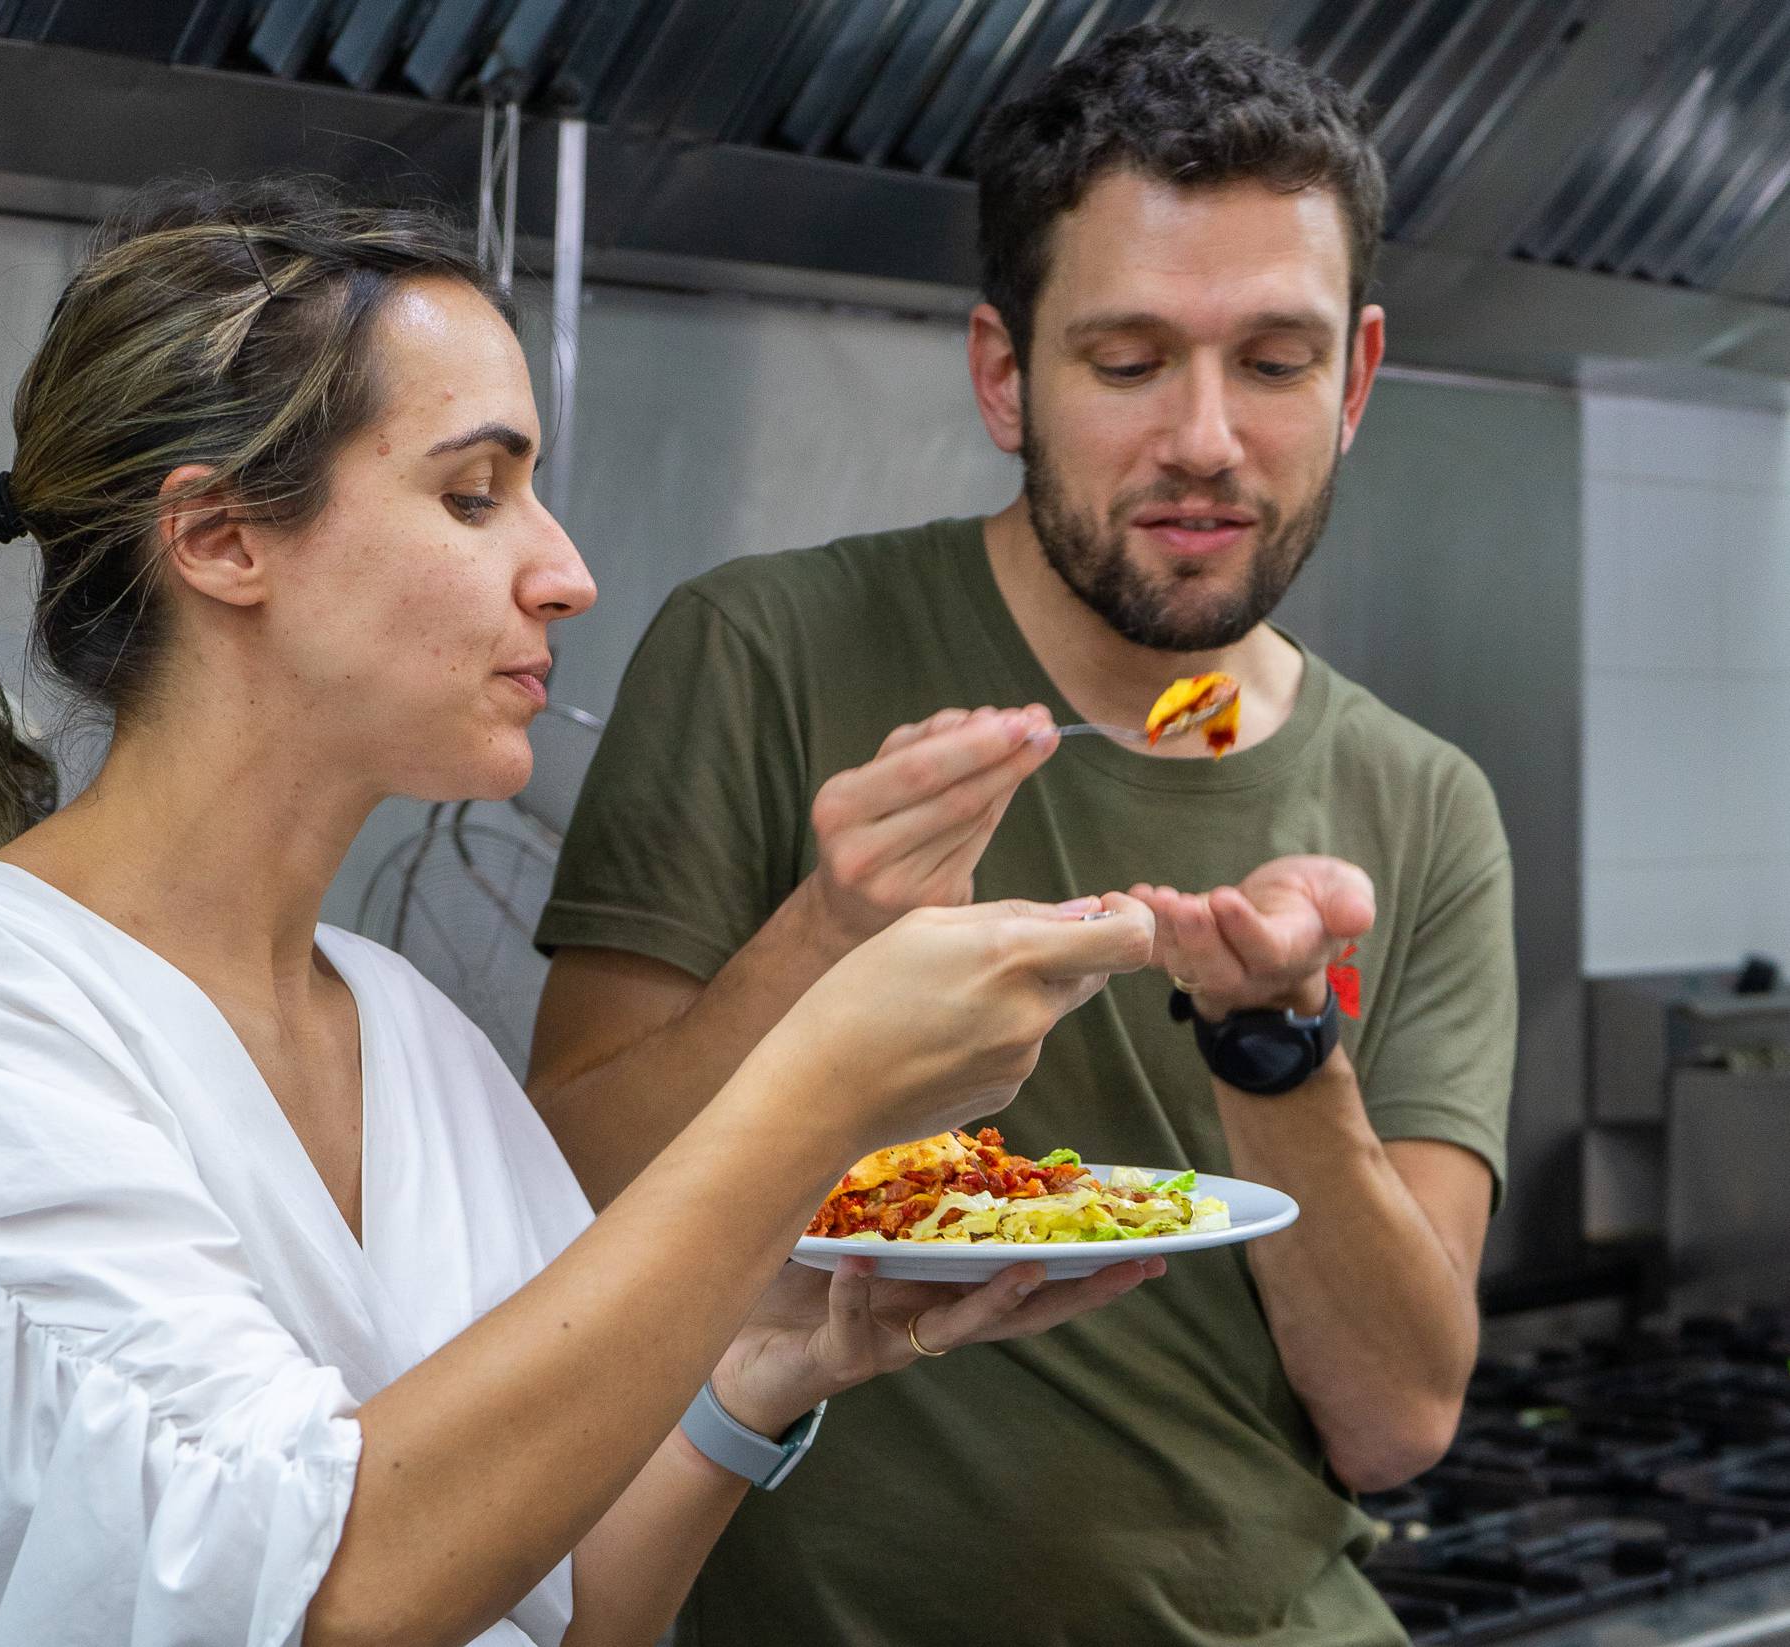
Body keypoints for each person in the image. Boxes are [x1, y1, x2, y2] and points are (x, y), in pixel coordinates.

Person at [0, 176, 1167, 1647]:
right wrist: (820, 1088)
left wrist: (767, 1369)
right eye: (473, 494)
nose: (565, 574)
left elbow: (559, 1603)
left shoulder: (415, 1038)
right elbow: (330, 1595)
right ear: (223, 538)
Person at [530, 24, 1514, 1646]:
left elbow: (1395, 1419)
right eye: (1126, 363)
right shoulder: (764, 652)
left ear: (1351, 379)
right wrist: (825, 937)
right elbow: (559, 1209)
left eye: (1271, 363)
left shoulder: (1422, 800)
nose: (1203, 437)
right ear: (1006, 374)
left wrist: (1274, 1044)